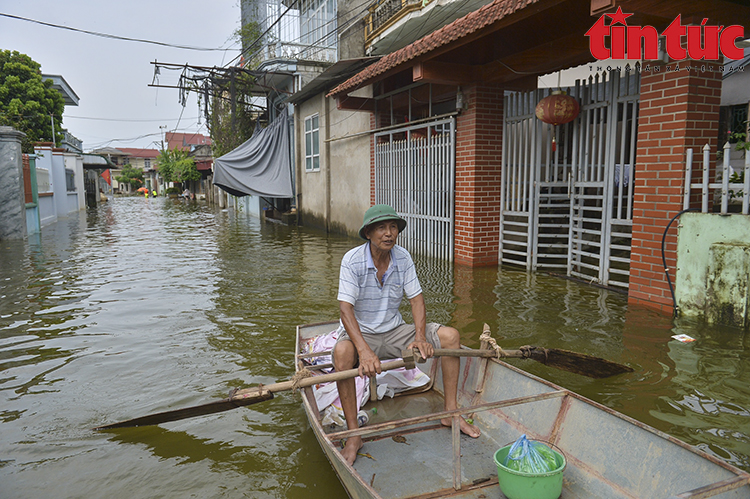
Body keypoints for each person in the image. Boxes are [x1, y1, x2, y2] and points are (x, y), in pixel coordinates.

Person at [333, 204, 480, 465]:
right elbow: (345, 310)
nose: (389, 234)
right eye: (381, 228)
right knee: (342, 353)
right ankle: (354, 433)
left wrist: (420, 337)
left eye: (393, 228)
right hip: (361, 334)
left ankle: (450, 412)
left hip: (394, 330)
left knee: (451, 336)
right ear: (368, 233)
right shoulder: (352, 260)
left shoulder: (402, 257)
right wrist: (364, 351)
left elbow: (416, 299)